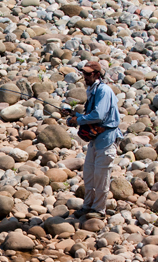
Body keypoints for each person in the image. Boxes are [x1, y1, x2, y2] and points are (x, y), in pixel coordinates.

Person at [67, 61, 122, 220]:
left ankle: (99, 210)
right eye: (83, 73)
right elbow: (90, 115)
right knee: (89, 174)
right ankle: (87, 206)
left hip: (106, 139)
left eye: (88, 74)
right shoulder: (93, 90)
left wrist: (78, 120)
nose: (85, 76)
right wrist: (74, 115)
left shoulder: (103, 90)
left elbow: (98, 115)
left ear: (97, 75)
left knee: (101, 176)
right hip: (95, 139)